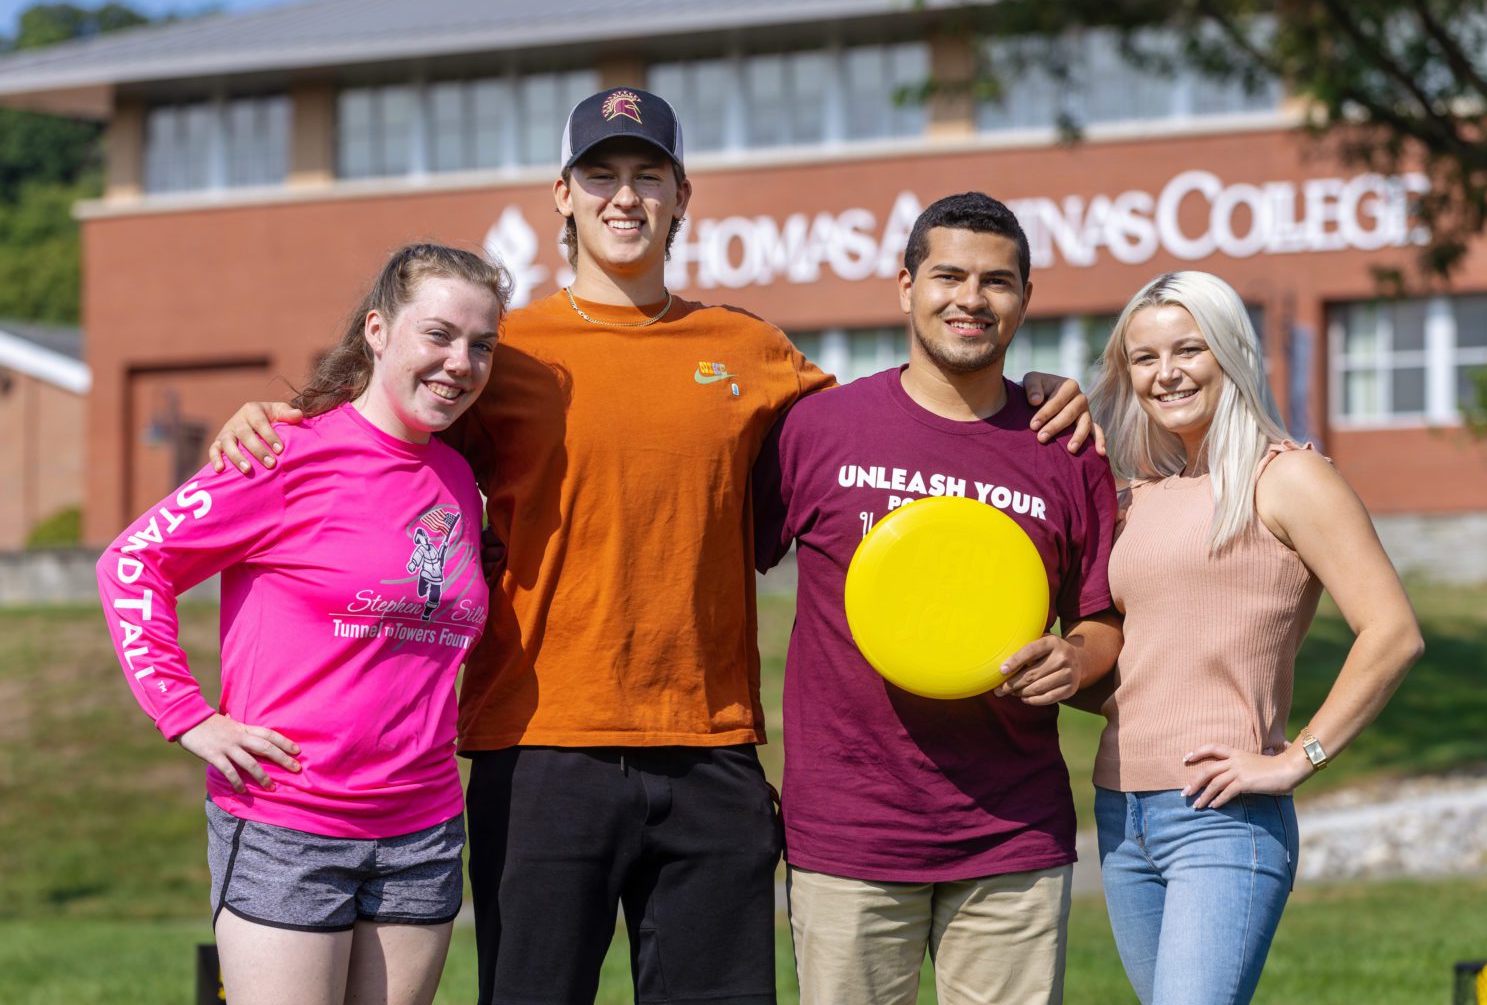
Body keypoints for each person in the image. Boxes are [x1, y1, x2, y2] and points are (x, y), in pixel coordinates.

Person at [205, 89, 1099, 1005]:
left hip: (711, 753)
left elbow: (900, 420)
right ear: (563, 193)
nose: (623, 197)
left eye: (647, 176)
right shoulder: (499, 353)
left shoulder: (751, 351)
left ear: (682, 196)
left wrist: (1029, 398)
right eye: (601, 175)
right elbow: (383, 428)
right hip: (541, 748)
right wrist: (285, 420)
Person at [97, 243, 508, 1005]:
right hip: (289, 821)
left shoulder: (460, 479)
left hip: (423, 827)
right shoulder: (279, 452)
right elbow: (131, 565)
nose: (461, 362)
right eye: (440, 335)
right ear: (379, 331)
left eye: (481, 345)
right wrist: (189, 717)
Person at [752, 191, 1122, 1005]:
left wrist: (1076, 657)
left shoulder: (1063, 447)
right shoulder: (820, 430)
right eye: (948, 275)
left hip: (1010, 832)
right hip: (849, 829)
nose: (971, 299)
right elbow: (716, 566)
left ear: (1024, 300)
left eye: (997, 282)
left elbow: (1102, 620)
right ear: (905, 286)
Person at [1080, 271, 1423, 1004]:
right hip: (1120, 816)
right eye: (1144, 358)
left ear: (1231, 349)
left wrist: (1301, 757)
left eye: (1188, 349)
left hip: (1221, 820)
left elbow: (1392, 633)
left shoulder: (1289, 477)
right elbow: (1142, 663)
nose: (1166, 373)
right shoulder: (1138, 498)